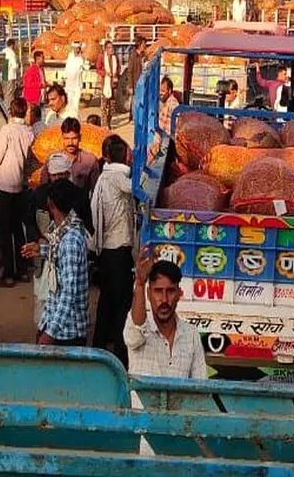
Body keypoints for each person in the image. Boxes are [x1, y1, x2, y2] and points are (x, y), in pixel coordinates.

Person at [22, 179, 89, 346]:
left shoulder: (70, 240)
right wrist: (41, 250)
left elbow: (68, 293)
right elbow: (61, 255)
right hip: (54, 319)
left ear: (50, 204)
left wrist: (51, 333)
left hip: (67, 332)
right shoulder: (64, 230)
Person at [123, 249, 208, 380]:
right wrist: (139, 284)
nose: (164, 299)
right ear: (149, 293)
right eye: (158, 291)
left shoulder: (191, 335)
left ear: (179, 294)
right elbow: (137, 326)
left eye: (170, 291)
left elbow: (201, 387)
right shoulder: (138, 326)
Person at [89, 135, 136, 361]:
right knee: (121, 304)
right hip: (117, 250)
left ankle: (99, 347)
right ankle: (120, 354)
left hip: (107, 250)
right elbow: (138, 188)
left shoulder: (104, 177)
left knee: (107, 301)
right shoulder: (117, 177)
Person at [0, 98, 34, 288]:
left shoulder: (7, 130)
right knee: (18, 228)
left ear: (10, 111)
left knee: (5, 230)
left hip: (5, 184)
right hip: (20, 184)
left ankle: (8, 273)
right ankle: (22, 270)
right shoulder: (28, 132)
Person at [41, 117, 101, 193]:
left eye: (74, 138)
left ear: (80, 138)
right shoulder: (52, 159)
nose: (70, 143)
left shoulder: (90, 161)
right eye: (67, 138)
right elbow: (43, 188)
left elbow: (96, 191)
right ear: (62, 137)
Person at [97, 40, 121, 129]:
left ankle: (109, 122)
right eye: (110, 48)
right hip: (105, 84)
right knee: (104, 105)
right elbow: (98, 69)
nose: (112, 49)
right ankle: (104, 124)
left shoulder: (115, 57)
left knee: (112, 106)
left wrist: (116, 75)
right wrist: (105, 73)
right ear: (106, 49)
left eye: (112, 47)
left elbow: (118, 67)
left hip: (113, 84)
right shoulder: (101, 57)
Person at [63, 43, 86, 118]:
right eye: (76, 48)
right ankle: (69, 117)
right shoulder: (70, 56)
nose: (77, 50)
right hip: (69, 84)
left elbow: (85, 66)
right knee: (69, 102)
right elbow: (67, 68)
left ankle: (75, 118)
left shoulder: (81, 58)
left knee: (76, 102)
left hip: (77, 84)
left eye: (78, 48)